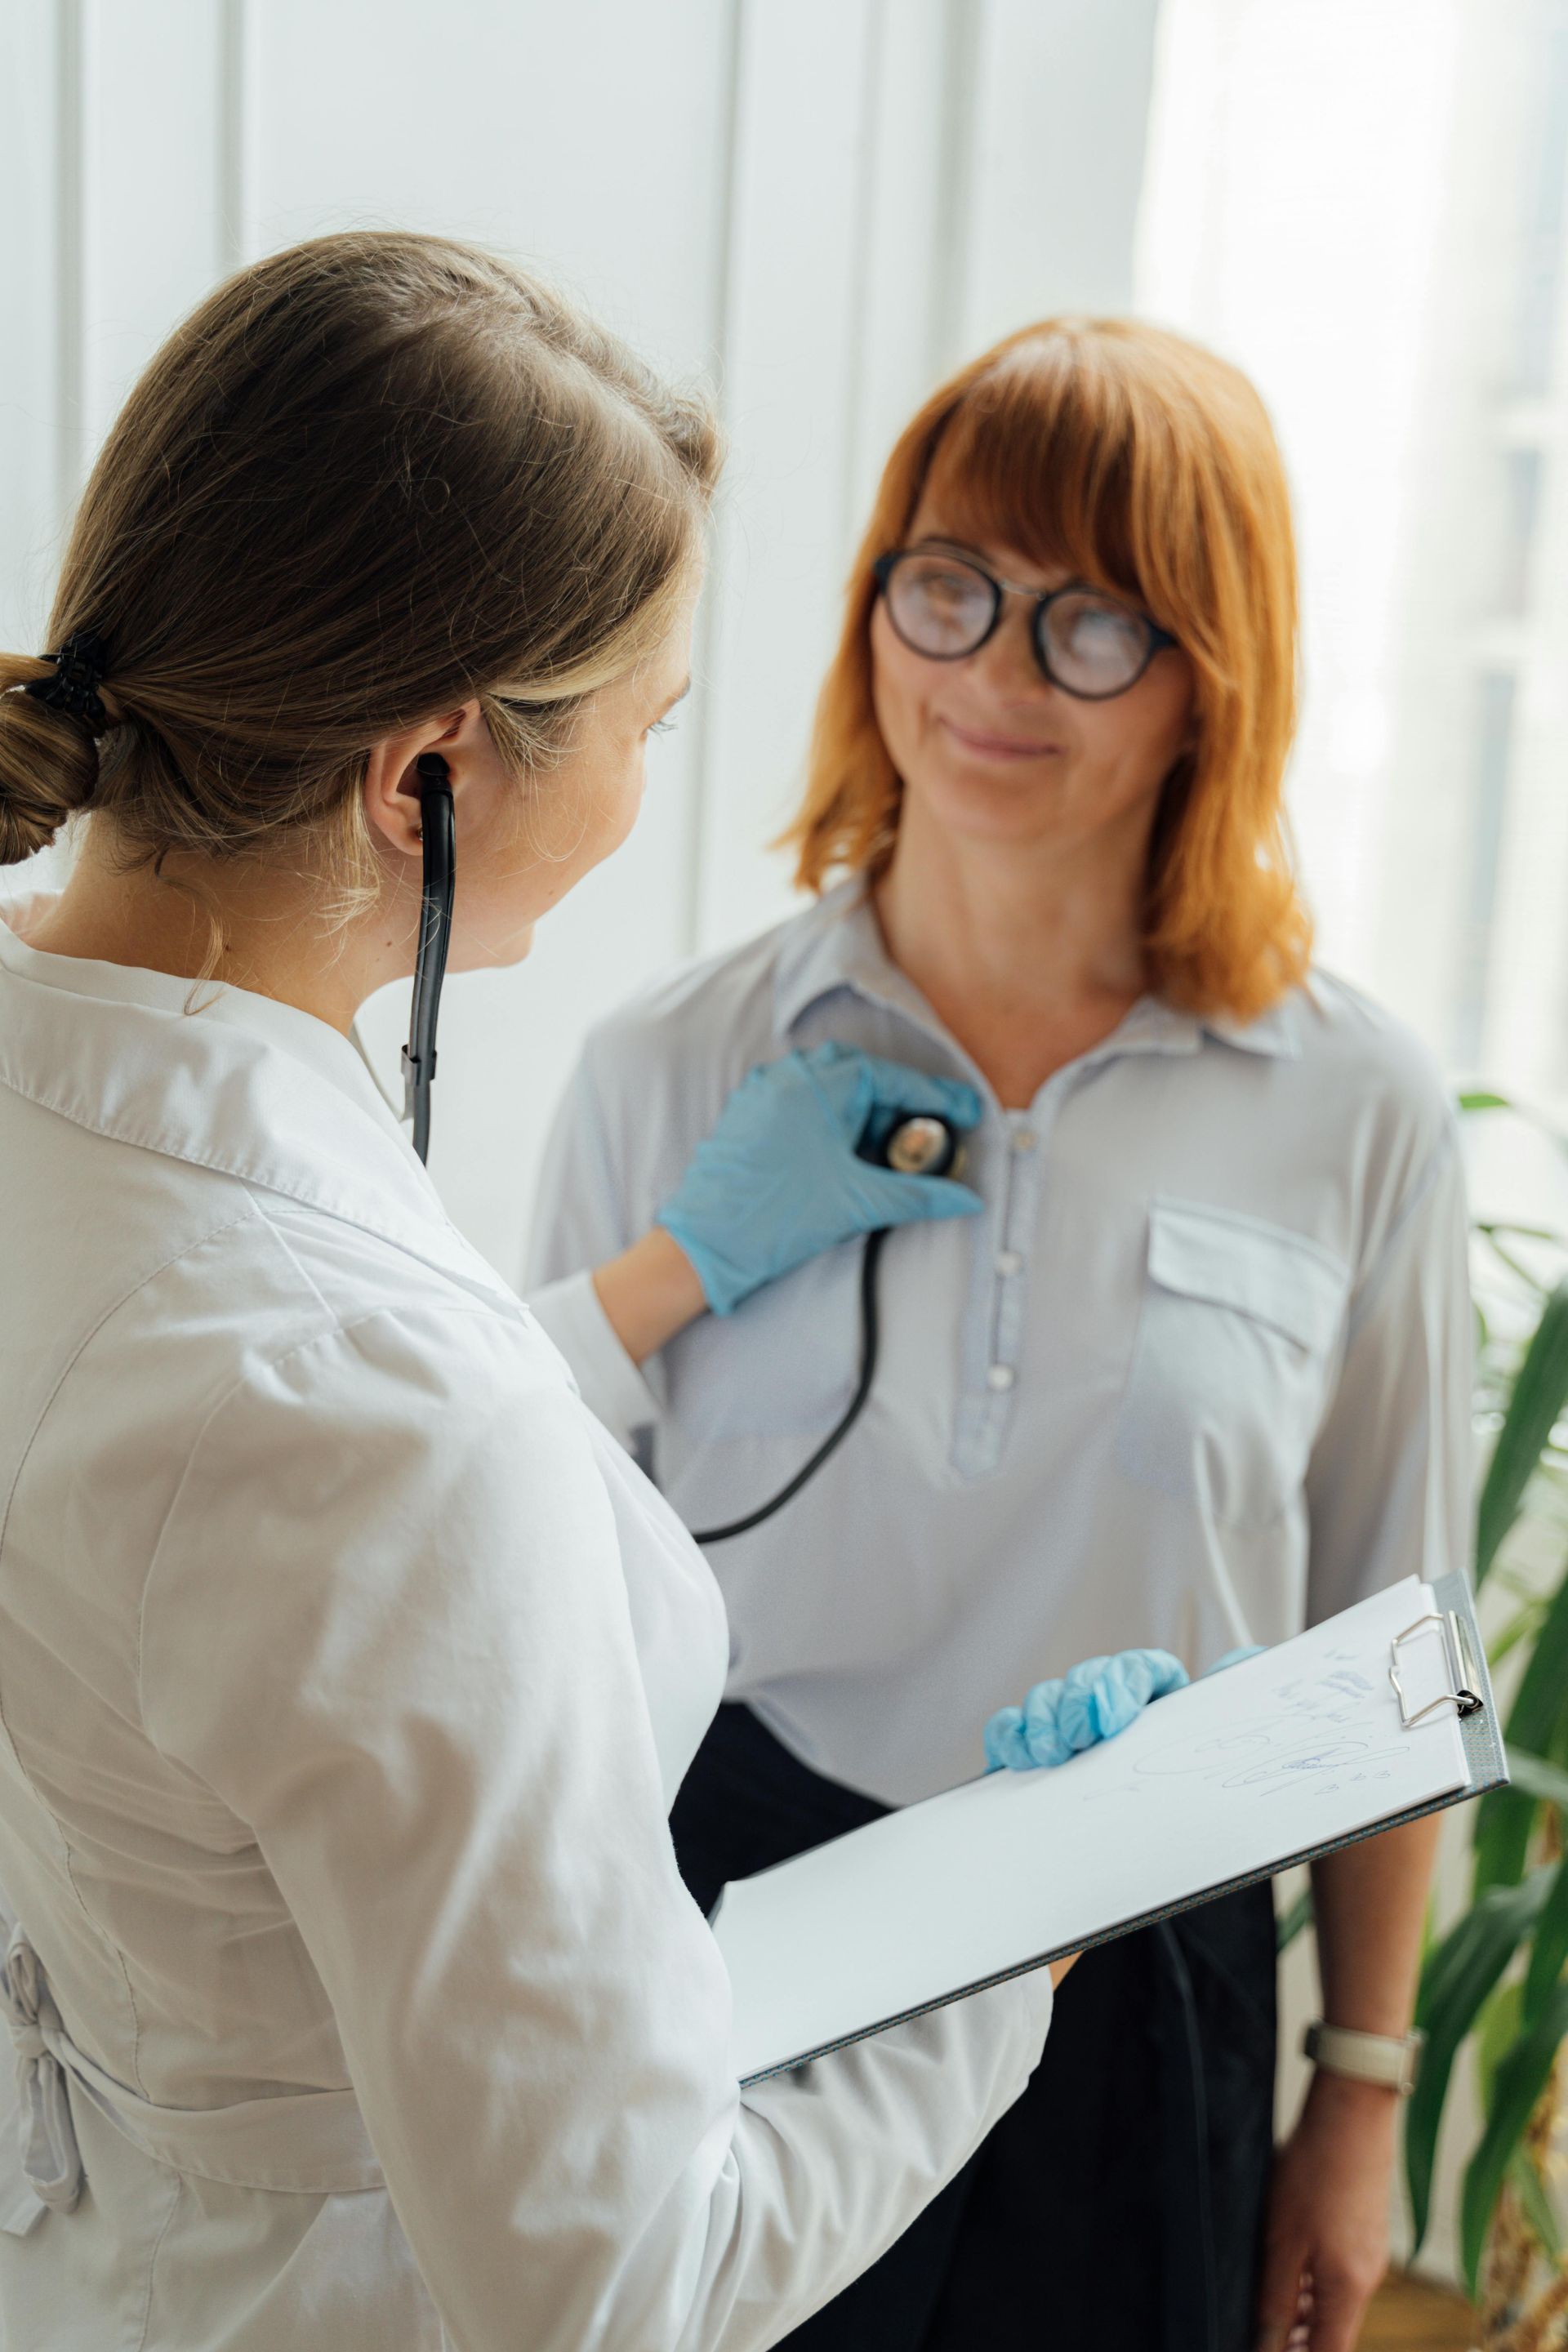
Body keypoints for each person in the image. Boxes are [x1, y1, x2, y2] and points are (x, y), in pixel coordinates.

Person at [0, 234, 1190, 2352]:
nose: (654, 786)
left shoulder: (77, 1135)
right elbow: (624, 2286)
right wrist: (1027, 1935)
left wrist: (636, 1295)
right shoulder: (376, 1407)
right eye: (647, 724)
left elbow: (223, 1520)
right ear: (432, 777)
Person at [528, 318, 1473, 2352]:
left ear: (1212, 673)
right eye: (946, 587)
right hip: (745, 1945)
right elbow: (519, 1586)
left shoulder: (1358, 1106)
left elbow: (1387, 1642)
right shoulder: (673, 1065)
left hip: (1140, 1977)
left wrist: (1361, 2097)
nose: (991, 676)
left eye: (1091, 623)